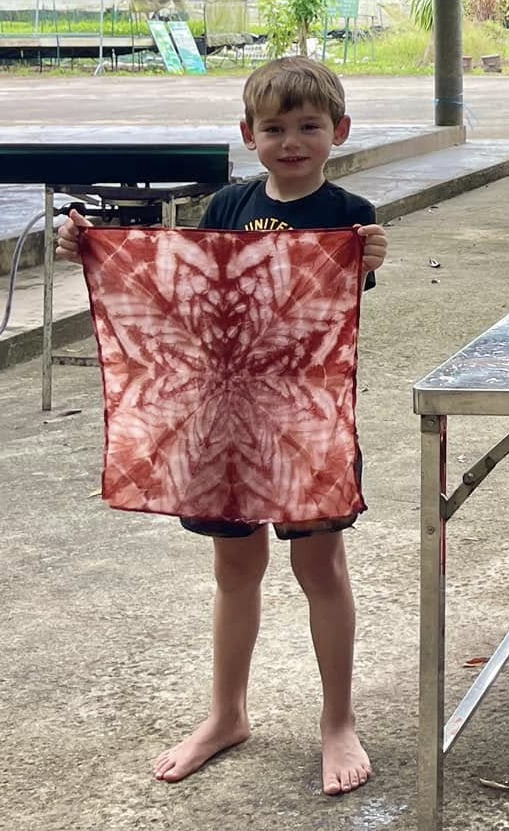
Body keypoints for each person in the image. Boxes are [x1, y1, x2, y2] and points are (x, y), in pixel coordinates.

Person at [58, 56, 387, 794]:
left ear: (339, 131)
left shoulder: (350, 212)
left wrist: (367, 256)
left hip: (305, 423)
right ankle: (226, 713)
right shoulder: (225, 207)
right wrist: (95, 251)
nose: (292, 140)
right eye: (274, 128)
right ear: (248, 135)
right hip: (221, 420)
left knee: (320, 569)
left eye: (309, 126)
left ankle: (338, 720)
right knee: (234, 572)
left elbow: (343, 300)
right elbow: (178, 289)